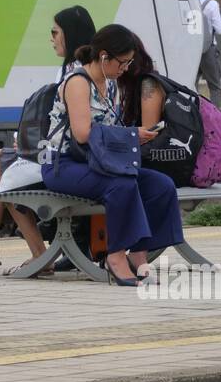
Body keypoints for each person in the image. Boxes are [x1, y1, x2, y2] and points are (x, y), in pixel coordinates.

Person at [0, 6, 96, 275]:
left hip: (69, 159)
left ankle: (11, 251)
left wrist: (32, 146)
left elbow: (72, 127)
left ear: (70, 34)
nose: (51, 38)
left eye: (55, 32)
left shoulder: (76, 74)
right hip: (64, 153)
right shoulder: (73, 70)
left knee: (5, 168)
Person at [38, 24, 185, 286]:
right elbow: (82, 133)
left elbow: (109, 132)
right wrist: (131, 135)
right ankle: (115, 255)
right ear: (104, 56)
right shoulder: (77, 82)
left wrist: (136, 136)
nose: (125, 68)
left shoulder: (112, 85)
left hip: (97, 163)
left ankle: (138, 255)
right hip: (63, 165)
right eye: (123, 62)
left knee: (161, 186)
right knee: (122, 184)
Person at [195, 0, 221, 106]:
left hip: (192, 49)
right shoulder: (212, 4)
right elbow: (220, 29)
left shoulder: (191, 0)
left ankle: (193, 115)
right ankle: (215, 119)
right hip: (209, 49)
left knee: (190, 85)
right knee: (215, 87)